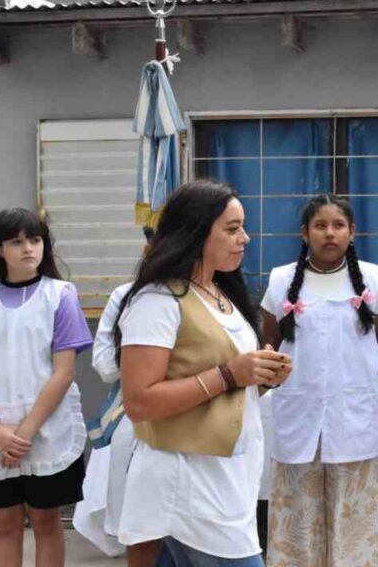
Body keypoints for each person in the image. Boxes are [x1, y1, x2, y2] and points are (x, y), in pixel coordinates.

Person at [114, 180, 292, 566]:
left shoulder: (219, 293)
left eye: (243, 227)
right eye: (232, 229)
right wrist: (229, 374)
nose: (245, 238)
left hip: (226, 476)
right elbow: (139, 401)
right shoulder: (158, 301)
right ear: (195, 233)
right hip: (186, 479)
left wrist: (261, 376)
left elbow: (228, 385)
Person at [261, 194, 378, 567]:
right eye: (320, 226)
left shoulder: (372, 278)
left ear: (352, 231)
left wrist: (353, 380)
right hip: (299, 413)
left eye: (338, 225)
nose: (329, 234)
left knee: (352, 519)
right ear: (305, 234)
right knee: (298, 518)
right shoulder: (281, 279)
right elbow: (269, 342)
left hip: (353, 417)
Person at [0, 208, 92, 567]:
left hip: (46, 431)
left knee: (47, 522)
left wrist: (25, 434)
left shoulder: (60, 295)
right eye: (16, 242)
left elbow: (63, 372)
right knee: (6, 525)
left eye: (35, 240)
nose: (28, 248)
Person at [80, 226, 160, 566]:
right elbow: (104, 366)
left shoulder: (209, 296)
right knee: (138, 527)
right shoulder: (126, 296)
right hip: (135, 416)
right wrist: (145, 357)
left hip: (192, 417)